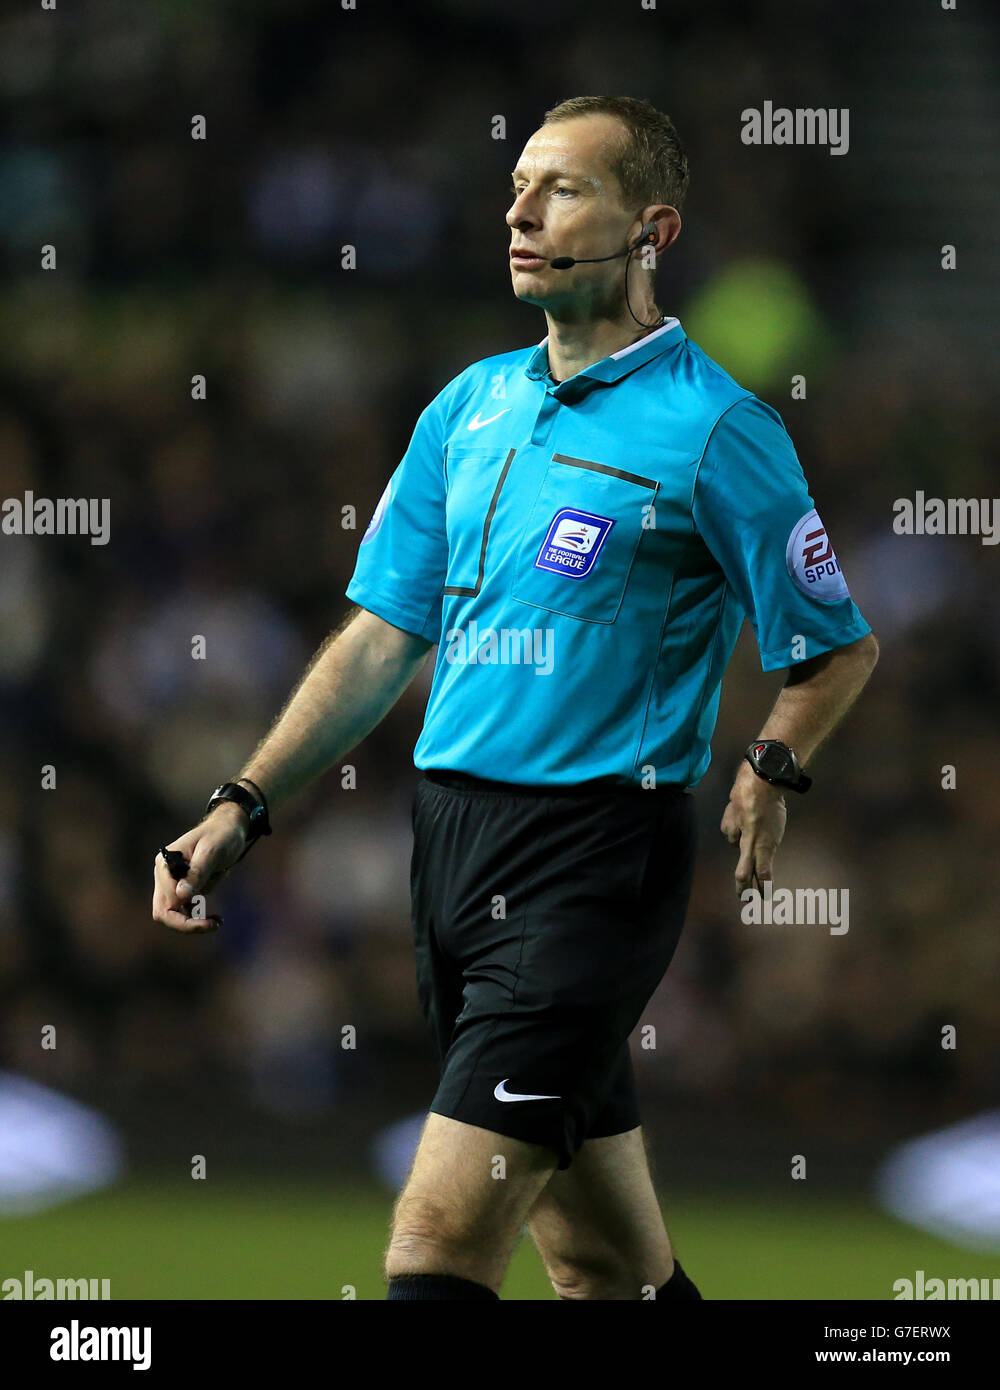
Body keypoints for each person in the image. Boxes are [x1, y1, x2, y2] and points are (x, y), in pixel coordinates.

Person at [152, 95, 879, 1301]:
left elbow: (835, 646)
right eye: (516, 187)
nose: (520, 211)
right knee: (605, 1268)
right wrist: (244, 799)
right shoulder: (467, 407)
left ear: (651, 228)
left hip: (592, 860)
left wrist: (772, 761)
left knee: (439, 1241)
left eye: (561, 189)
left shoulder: (715, 428)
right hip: (448, 847)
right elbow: (381, 639)